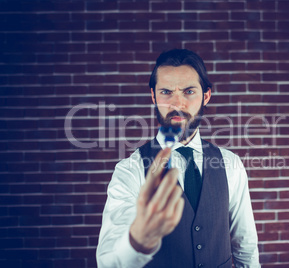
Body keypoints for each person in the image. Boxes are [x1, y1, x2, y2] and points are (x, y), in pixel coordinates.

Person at [96, 49, 260, 267]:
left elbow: (245, 245)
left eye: (189, 91)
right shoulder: (130, 169)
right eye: (166, 92)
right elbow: (108, 261)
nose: (177, 103)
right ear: (153, 96)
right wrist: (137, 241)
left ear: (206, 96)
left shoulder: (231, 164)